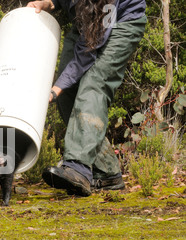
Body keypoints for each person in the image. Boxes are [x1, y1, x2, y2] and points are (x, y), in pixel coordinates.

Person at [27, 0, 147, 196]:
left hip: (121, 21)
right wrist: (48, 2)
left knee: (94, 84)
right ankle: (107, 174)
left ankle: (78, 167)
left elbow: (88, 51)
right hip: (86, 19)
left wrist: (55, 89)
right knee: (66, 95)